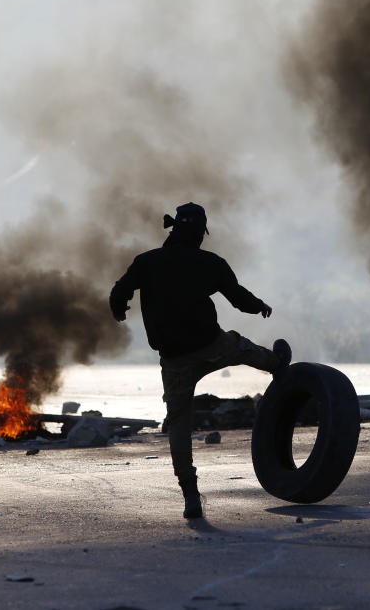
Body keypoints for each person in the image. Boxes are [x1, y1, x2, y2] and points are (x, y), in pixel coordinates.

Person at [109, 202, 291, 519]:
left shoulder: (147, 262)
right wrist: (259, 306)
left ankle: (190, 495)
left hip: (174, 359)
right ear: (199, 233)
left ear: (174, 229)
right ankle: (278, 366)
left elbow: (118, 292)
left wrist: (119, 309)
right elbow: (237, 298)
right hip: (210, 345)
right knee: (241, 347)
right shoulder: (209, 263)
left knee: (179, 422)